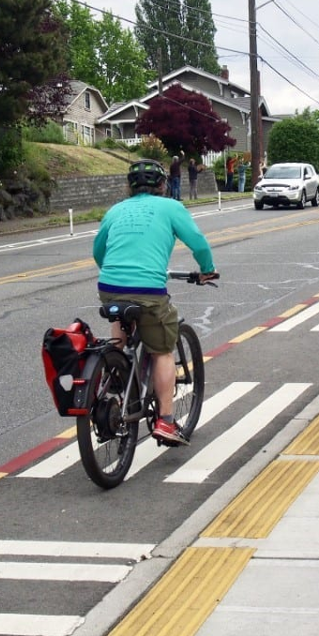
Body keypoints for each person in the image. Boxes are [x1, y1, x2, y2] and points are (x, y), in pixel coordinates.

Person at [92, 159, 218, 444]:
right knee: (161, 350)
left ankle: (117, 366)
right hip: (148, 290)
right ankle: (166, 421)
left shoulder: (115, 210)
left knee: (120, 319)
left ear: (130, 186)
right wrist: (207, 269)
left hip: (109, 286)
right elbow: (197, 242)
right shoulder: (171, 207)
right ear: (163, 185)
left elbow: (99, 251)